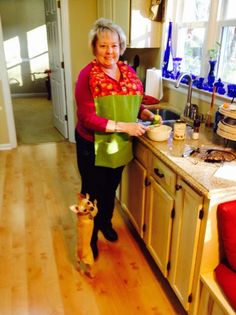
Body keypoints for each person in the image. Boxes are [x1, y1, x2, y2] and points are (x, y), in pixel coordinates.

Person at [75, 18, 159, 259]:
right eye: (103, 45)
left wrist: (143, 112)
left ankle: (105, 223)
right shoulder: (87, 76)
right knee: (91, 192)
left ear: (121, 46)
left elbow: (134, 100)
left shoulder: (128, 72)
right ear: (94, 48)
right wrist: (125, 126)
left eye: (114, 45)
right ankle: (88, 238)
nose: (109, 51)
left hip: (119, 142)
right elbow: (87, 117)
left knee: (110, 187)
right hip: (91, 144)